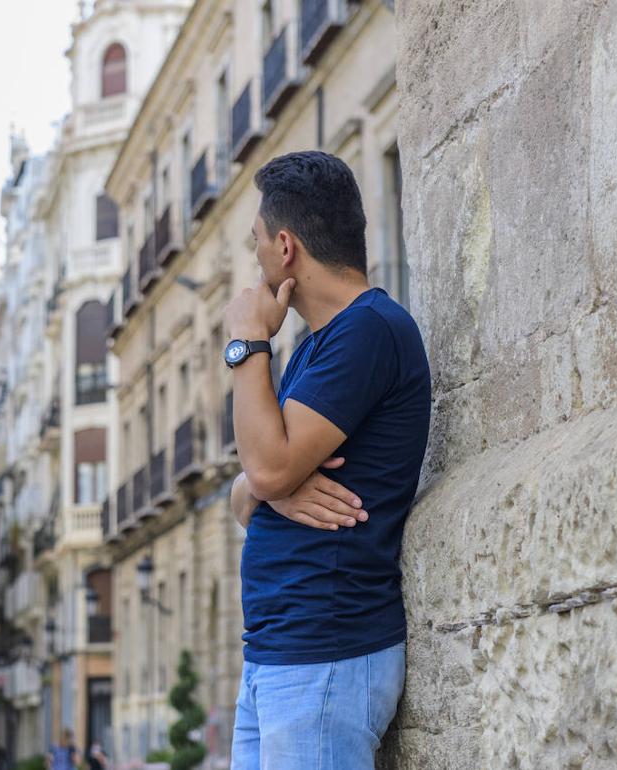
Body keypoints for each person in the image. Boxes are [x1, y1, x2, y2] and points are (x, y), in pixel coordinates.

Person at [225, 151, 430, 769]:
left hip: (325, 656)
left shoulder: (370, 330)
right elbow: (245, 495)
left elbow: (261, 470)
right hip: (280, 654)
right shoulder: (317, 347)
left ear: (285, 247)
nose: (255, 257)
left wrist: (246, 343)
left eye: (256, 241)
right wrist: (276, 486)